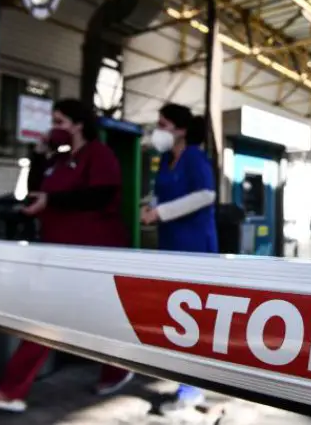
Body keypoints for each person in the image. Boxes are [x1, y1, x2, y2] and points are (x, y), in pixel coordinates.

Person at [0, 99, 133, 413]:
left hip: (91, 250)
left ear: (78, 124)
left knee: (45, 317)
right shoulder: (60, 161)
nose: (54, 127)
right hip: (59, 248)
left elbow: (100, 194)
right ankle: (117, 368)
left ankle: (12, 390)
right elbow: (39, 190)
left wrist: (53, 201)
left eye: (60, 122)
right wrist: (39, 156)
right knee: (94, 315)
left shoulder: (99, 155)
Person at [140, 103, 217, 409]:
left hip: (194, 246)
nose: (158, 130)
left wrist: (161, 212)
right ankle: (186, 384)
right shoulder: (166, 160)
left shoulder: (195, 158)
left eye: (163, 124)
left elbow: (206, 195)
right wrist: (151, 206)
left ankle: (192, 389)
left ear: (181, 130)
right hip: (172, 244)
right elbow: (163, 193)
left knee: (191, 319)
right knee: (176, 316)